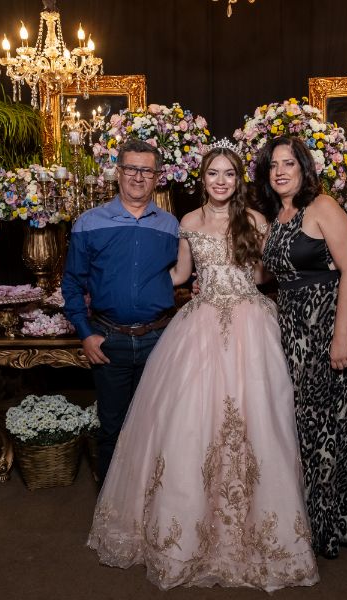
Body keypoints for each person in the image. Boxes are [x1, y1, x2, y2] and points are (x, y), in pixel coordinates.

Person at [87, 144, 319, 591]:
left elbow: (265, 275)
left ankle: (261, 535)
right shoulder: (188, 222)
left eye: (229, 174)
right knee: (190, 421)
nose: (221, 181)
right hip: (200, 325)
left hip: (251, 325)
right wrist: (126, 283)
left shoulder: (256, 220)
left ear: (238, 180)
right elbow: (179, 275)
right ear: (203, 179)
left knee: (258, 418)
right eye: (213, 173)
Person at [255, 136, 347, 560]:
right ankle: (310, 518)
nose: (280, 171)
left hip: (327, 326)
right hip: (292, 330)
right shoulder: (277, 217)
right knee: (304, 424)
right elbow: (266, 276)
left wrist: (340, 337)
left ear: (304, 168)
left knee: (336, 425)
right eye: (273, 165)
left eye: (288, 163)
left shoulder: (322, 206)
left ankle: (340, 524)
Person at [62, 139, 179, 482]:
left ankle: (150, 500)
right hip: (108, 341)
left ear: (157, 177)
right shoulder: (88, 223)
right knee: (112, 428)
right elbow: (72, 284)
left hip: (158, 341)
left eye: (146, 171)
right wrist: (85, 334)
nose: (138, 177)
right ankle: (109, 506)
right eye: (131, 168)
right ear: (118, 172)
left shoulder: (171, 226)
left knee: (157, 427)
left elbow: (183, 274)